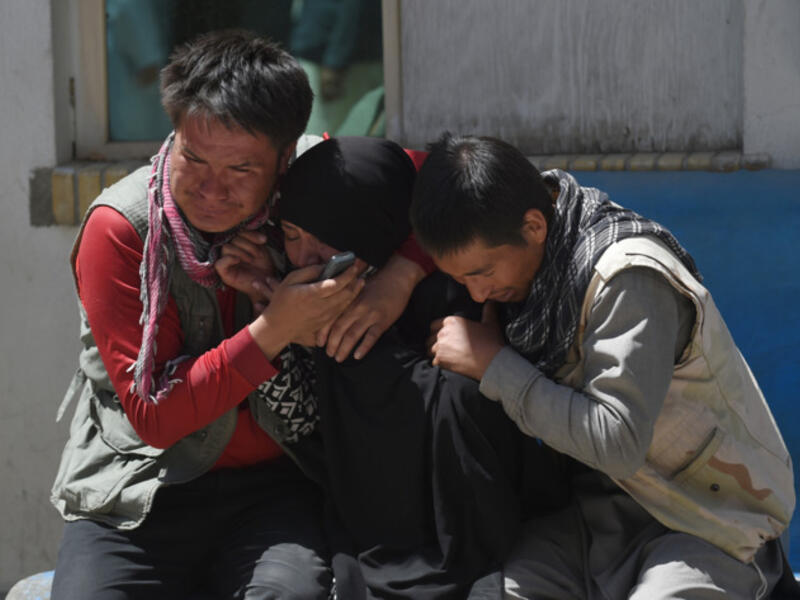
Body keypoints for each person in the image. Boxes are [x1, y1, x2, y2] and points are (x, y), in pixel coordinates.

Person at [49, 31, 427, 600]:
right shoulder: (122, 230)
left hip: (277, 486)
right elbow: (155, 416)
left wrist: (401, 277)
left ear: (285, 158)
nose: (211, 189)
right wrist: (276, 328)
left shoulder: (311, 173)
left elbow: (443, 181)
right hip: (137, 489)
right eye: (194, 158)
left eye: (241, 170)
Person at [409, 133, 797, 599]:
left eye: (483, 273)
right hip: (596, 519)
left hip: (707, 521)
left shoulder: (625, 277)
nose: (477, 294)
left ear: (534, 226)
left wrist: (494, 365)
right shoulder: (525, 272)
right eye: (460, 279)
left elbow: (618, 444)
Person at [217, 136, 571, 599]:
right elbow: (303, 423)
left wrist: (362, 343)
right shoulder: (307, 297)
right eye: (292, 234)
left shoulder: (467, 286)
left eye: (325, 235)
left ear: (373, 224)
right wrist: (272, 318)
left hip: (486, 533)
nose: (305, 257)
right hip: (364, 531)